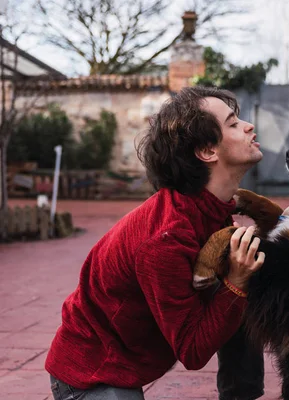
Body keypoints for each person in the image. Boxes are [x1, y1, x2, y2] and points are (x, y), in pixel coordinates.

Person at [46, 87, 267, 400]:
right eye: (233, 124)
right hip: (93, 372)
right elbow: (192, 350)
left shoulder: (208, 208)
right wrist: (236, 282)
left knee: (242, 280)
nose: (248, 126)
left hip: (133, 361)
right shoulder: (165, 239)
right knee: (237, 282)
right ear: (207, 151)